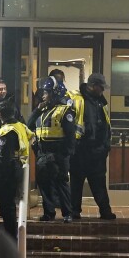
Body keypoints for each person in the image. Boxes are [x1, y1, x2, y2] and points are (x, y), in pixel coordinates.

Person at [0, 100, 36, 241]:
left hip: (7, 171)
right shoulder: (20, 126)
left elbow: (5, 156)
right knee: (6, 204)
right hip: (17, 168)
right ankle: (10, 237)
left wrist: (0, 174)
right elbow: (32, 137)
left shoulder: (7, 131)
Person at [28, 77, 80, 222]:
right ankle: (48, 213)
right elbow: (28, 124)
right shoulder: (42, 110)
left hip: (58, 153)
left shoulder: (65, 111)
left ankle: (67, 213)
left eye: (47, 92)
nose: (43, 95)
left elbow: (70, 135)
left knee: (61, 183)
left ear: (55, 93)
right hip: (42, 153)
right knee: (44, 185)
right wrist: (37, 110)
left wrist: (65, 154)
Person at [69, 73, 115, 220]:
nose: (103, 90)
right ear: (93, 86)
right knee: (76, 184)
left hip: (97, 151)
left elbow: (105, 126)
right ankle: (74, 211)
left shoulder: (101, 102)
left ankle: (105, 211)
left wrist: (105, 147)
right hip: (80, 151)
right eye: (101, 87)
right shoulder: (77, 100)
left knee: (99, 183)